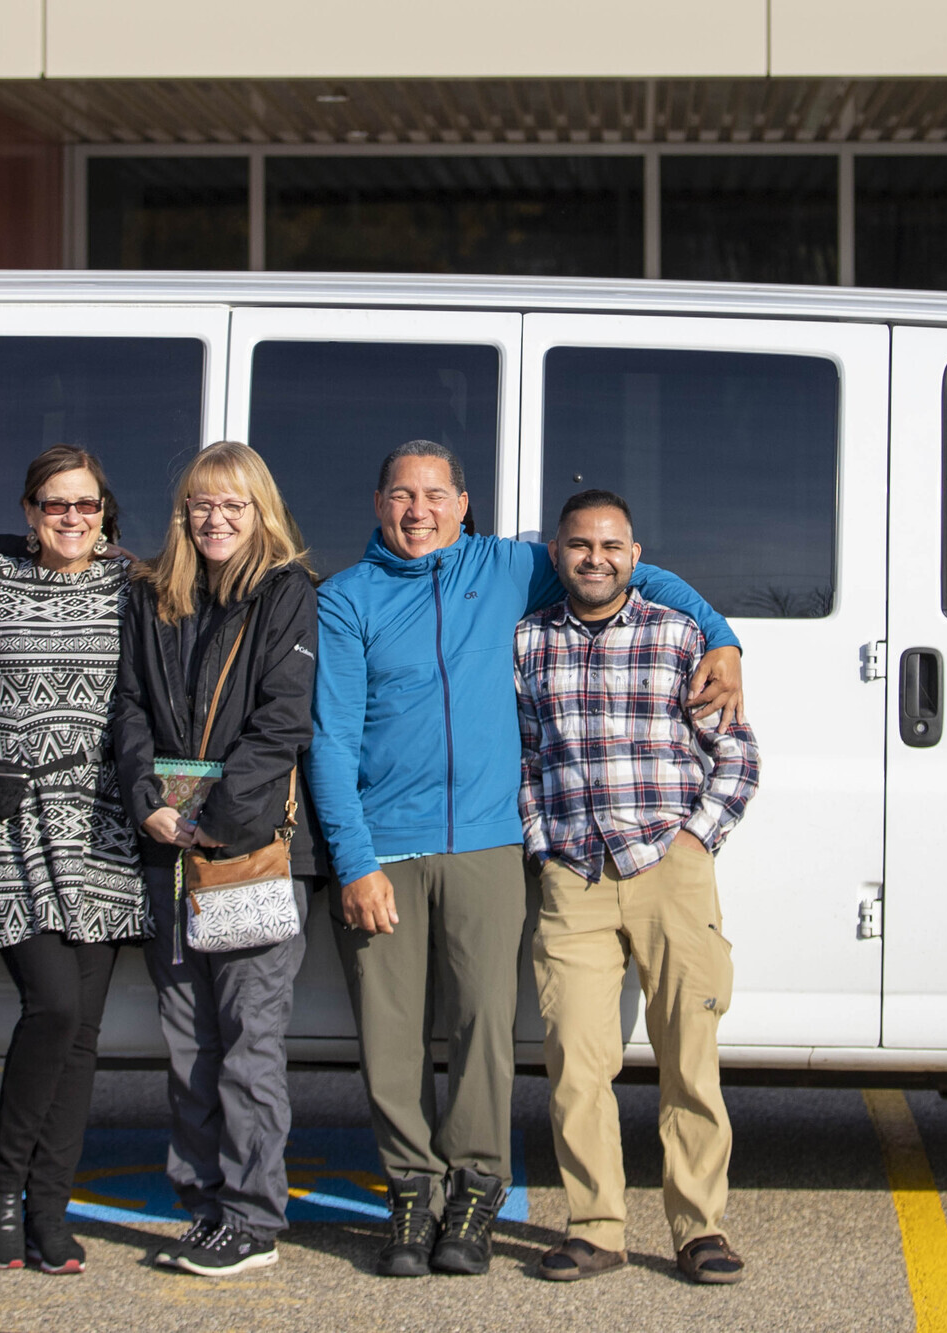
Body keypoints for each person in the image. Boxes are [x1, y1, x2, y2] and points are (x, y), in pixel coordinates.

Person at [306, 440, 745, 1278]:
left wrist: (721, 637)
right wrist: (353, 858)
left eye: (436, 493)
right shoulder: (347, 597)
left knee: (485, 1029)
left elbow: (627, 576)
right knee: (393, 1036)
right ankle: (412, 1192)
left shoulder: (509, 568)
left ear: (463, 504)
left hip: (488, 844)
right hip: (391, 845)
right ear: (377, 503)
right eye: (402, 494)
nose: (418, 509)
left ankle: (476, 1193)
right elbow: (329, 740)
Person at [514, 490, 760, 1286]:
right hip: (573, 877)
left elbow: (739, 756)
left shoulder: (679, 634)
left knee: (691, 1056)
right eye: (580, 545)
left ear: (635, 553)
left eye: (611, 545)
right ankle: (596, 1227)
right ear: (558, 554)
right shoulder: (526, 644)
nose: (595, 558)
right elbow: (522, 756)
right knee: (577, 1062)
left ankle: (700, 1227)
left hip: (670, 873)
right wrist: (541, 842)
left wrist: (695, 842)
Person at [0, 445, 145, 1276]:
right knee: (48, 1005)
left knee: (82, 1032)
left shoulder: (132, 588)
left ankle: (51, 1204)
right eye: (56, 505)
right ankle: (0, 1185)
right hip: (10, 823)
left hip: (103, 827)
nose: (72, 519)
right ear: (28, 511)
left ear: (105, 513)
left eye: (86, 505)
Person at [111, 441, 318, 1278]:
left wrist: (218, 821)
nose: (216, 519)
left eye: (233, 504)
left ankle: (253, 1215)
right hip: (168, 853)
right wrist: (146, 803)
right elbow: (125, 706)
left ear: (259, 508)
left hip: (248, 855)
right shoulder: (154, 595)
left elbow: (282, 722)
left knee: (248, 1041)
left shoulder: (285, 593)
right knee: (189, 1043)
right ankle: (202, 1204)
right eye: (201, 504)